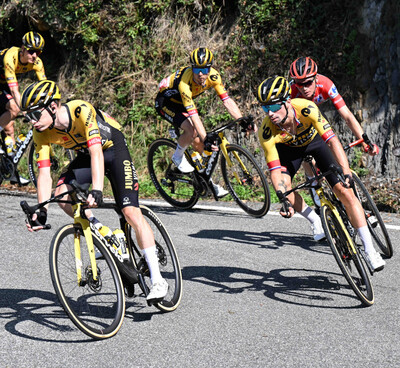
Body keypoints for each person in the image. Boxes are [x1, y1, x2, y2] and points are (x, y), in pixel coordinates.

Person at [20, 80, 169, 301]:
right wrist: (42, 211)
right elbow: (44, 173)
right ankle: (104, 233)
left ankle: (158, 280)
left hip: (112, 148)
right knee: (63, 192)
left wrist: (97, 190)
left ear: (53, 106)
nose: (31, 121)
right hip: (86, 155)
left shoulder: (81, 110)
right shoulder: (40, 132)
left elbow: (97, 152)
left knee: (129, 211)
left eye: (34, 114)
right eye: (28, 116)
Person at [257, 75, 385, 271]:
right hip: (289, 152)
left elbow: (333, 141)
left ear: (286, 102)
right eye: (265, 108)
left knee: (345, 192)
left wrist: (346, 171)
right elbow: (274, 171)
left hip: (315, 143)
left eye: (274, 107)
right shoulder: (267, 131)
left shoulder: (306, 109)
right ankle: (315, 220)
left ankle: (370, 250)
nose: (270, 113)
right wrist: (282, 195)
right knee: (286, 188)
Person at [155, 47, 255, 197]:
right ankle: (177, 156)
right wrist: (205, 138)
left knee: (201, 145)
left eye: (204, 69)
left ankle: (206, 182)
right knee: (192, 130)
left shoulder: (214, 76)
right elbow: (193, 115)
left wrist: (241, 121)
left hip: (182, 103)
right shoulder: (185, 82)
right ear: (192, 68)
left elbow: (227, 101)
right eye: (197, 70)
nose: (201, 74)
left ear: (210, 68)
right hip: (166, 103)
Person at [289, 56, 379, 210]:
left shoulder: (326, 84)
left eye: (308, 82)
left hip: (316, 115)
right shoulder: (291, 93)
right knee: (305, 147)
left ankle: (355, 207)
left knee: (332, 148)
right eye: (299, 83)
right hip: (300, 120)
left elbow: (347, 116)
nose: (304, 88)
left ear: (316, 78)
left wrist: (364, 140)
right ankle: (313, 182)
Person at [0, 31, 47, 185]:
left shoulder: (37, 63)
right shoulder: (10, 57)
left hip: (3, 85)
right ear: (23, 49)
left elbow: (46, 87)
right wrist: (25, 109)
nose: (35, 55)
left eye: (38, 52)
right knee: (14, 108)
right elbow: (14, 91)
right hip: (5, 85)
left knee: (9, 129)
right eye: (32, 51)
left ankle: (11, 171)